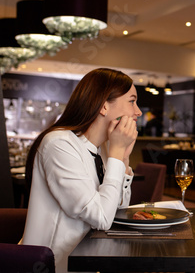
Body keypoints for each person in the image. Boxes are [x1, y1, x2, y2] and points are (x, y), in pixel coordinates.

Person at [21, 68, 142, 272]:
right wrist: (116, 153)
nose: (137, 111)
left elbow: (116, 211)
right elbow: (102, 218)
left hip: (91, 258)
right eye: (132, 101)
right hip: (56, 265)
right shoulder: (59, 143)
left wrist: (123, 159)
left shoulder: (102, 149)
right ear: (104, 106)